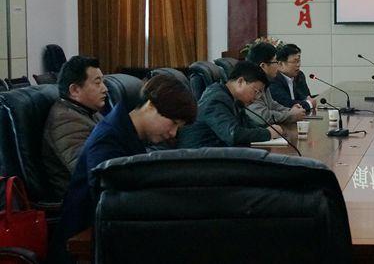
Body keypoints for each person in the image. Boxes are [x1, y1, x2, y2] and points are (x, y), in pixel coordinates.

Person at [56, 74, 196, 261]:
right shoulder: (109, 139)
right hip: (84, 241)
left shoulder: (127, 130)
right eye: (173, 123)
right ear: (150, 106)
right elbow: (110, 199)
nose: (173, 133)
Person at [41, 55, 107, 199]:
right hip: (81, 202)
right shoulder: (64, 121)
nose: (105, 89)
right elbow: (89, 171)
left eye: (103, 82)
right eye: (98, 83)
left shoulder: (88, 111)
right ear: (75, 90)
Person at [178, 61, 279, 148]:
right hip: (198, 157)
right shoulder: (216, 99)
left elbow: (248, 126)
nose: (257, 97)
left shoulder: (234, 100)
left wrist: (270, 130)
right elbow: (233, 135)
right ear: (240, 82)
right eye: (256, 91)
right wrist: (268, 133)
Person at [245, 42, 306, 124]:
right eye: (275, 62)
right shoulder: (251, 85)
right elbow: (263, 116)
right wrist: (290, 115)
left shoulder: (264, 82)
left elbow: (273, 105)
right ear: (263, 66)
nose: (278, 66)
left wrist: (291, 110)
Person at [269, 43, 316, 111]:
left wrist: (308, 99)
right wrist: (309, 104)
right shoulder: (273, 79)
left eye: (299, 61)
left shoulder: (297, 76)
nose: (298, 65)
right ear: (280, 64)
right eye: (295, 61)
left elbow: (303, 97)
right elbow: (286, 104)